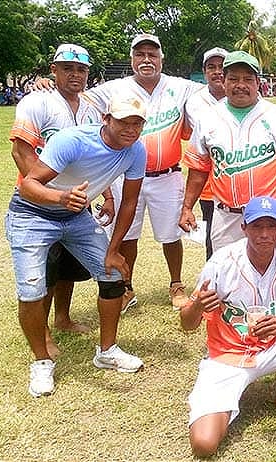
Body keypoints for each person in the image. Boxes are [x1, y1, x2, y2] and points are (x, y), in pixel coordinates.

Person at [6, 94, 149, 398]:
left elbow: (131, 202)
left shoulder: (136, 151)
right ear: (106, 120)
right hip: (32, 213)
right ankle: (41, 362)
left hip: (75, 216)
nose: (131, 129)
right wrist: (61, 197)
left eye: (137, 123)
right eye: (124, 121)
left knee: (112, 274)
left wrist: (113, 249)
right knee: (31, 289)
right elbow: (28, 185)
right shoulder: (72, 141)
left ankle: (107, 350)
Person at [181, 196, 276, 457]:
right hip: (227, 356)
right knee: (204, 445)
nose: (264, 234)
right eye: (256, 226)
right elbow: (187, 324)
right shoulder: (221, 263)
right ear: (243, 228)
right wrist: (197, 306)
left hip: (274, 345)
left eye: (272, 226)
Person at [83, 33, 201, 311]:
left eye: (152, 54)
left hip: (167, 175)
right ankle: (126, 288)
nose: (146, 59)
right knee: (126, 234)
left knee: (171, 234)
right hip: (126, 175)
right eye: (140, 54)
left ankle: (176, 284)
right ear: (132, 59)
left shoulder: (180, 87)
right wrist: (45, 86)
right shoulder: (115, 88)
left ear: (162, 58)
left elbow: (212, 90)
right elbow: (81, 97)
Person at [9, 43, 107, 357]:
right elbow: (21, 151)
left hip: (77, 201)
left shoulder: (91, 106)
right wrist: (46, 194)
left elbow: (97, 156)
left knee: (70, 267)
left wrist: (105, 194)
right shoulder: (37, 101)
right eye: (67, 68)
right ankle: (44, 332)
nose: (75, 75)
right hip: (40, 206)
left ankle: (63, 318)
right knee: (46, 270)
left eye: (81, 69)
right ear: (54, 70)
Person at [179, 51, 276, 252]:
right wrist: (187, 207)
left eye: (248, 79)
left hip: (269, 216)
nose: (240, 85)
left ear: (258, 82)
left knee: (274, 274)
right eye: (233, 78)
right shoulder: (207, 119)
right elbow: (198, 170)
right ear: (224, 81)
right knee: (227, 276)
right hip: (226, 215)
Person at [184, 47, 228, 260]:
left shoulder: (243, 95)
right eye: (212, 67)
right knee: (214, 235)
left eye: (222, 66)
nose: (217, 72)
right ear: (204, 71)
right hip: (209, 186)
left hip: (244, 182)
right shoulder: (194, 102)